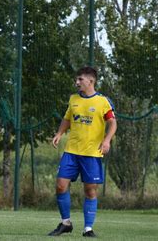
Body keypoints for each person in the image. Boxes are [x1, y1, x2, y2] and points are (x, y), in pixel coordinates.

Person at [48, 66, 117, 238]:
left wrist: (107, 140)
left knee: (90, 190)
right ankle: (65, 223)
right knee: (60, 185)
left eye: (80, 79)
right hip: (71, 152)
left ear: (91, 81)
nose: (77, 82)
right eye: (76, 79)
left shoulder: (102, 101)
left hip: (92, 154)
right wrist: (59, 133)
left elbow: (112, 123)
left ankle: (88, 229)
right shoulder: (73, 99)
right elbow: (67, 118)